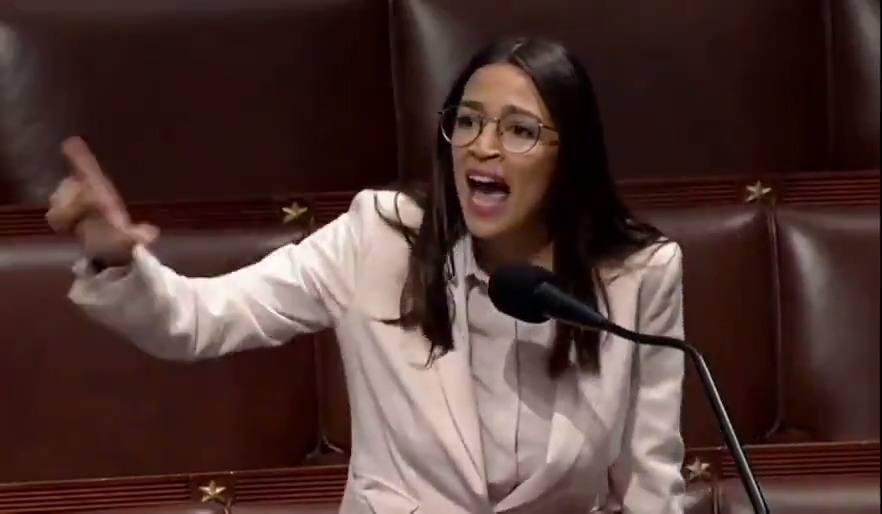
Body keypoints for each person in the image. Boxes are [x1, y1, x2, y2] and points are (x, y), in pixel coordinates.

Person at [46, 37, 686, 513]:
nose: (483, 146)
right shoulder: (379, 239)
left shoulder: (638, 274)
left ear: (570, 155)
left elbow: (648, 483)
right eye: (467, 120)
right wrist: (114, 256)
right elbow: (196, 320)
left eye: (519, 130)